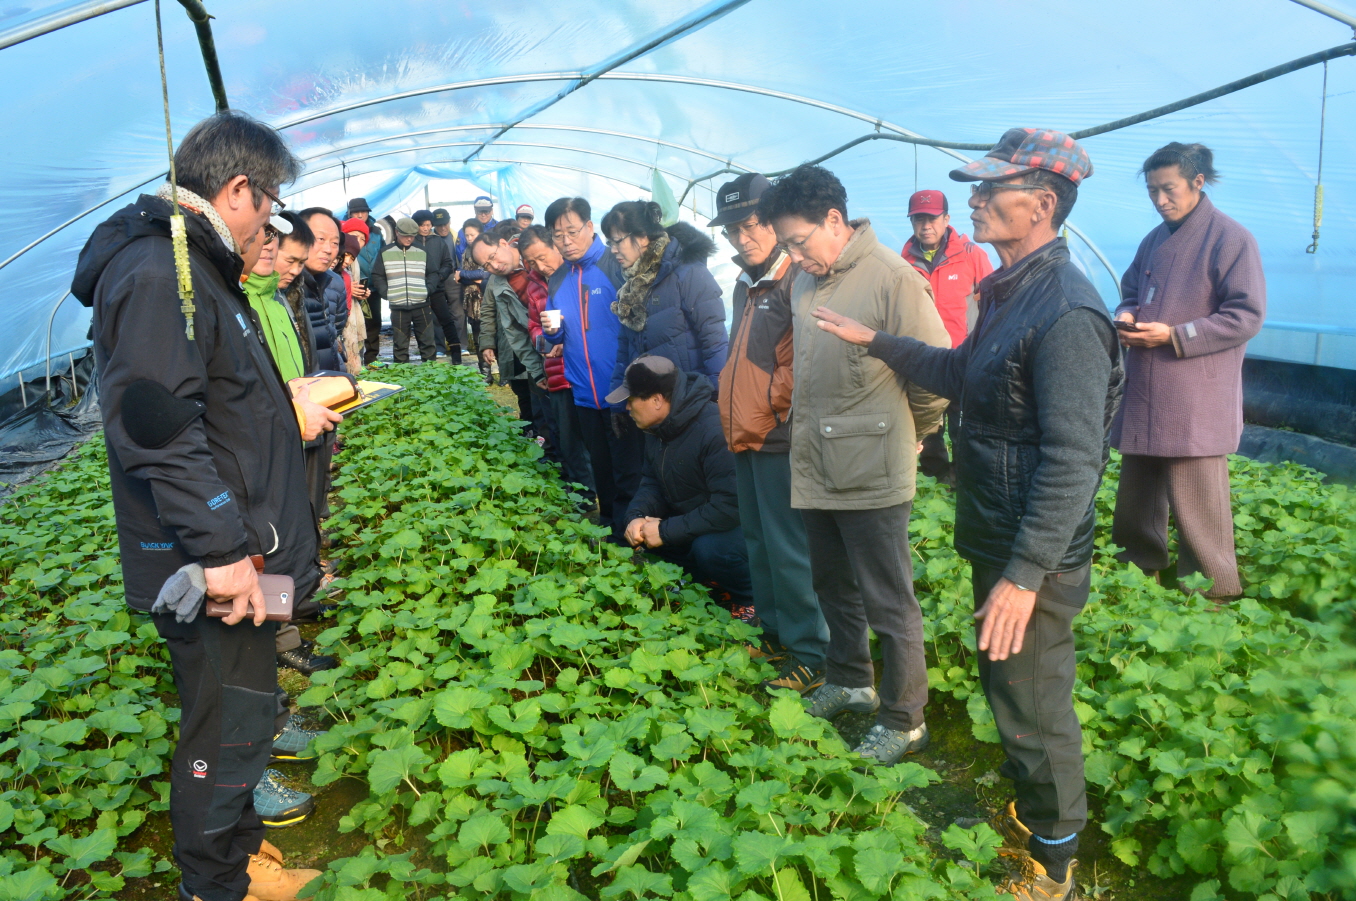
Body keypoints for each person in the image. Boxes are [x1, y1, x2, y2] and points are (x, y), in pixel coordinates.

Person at [813, 128, 1123, 901]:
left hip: (1033, 552)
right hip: (1002, 534)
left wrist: (1025, 574)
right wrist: (878, 339)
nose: (974, 201)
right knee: (1010, 688)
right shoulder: (1012, 290)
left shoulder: (1068, 311)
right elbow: (961, 370)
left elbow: (1075, 458)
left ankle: (1054, 863)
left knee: (1033, 700)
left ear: (1042, 203)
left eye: (990, 189)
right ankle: (1036, 813)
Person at [71, 110, 325, 901]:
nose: (269, 225)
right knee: (226, 728)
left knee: (242, 713)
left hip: (242, 550)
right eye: (270, 203)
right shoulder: (160, 270)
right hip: (215, 564)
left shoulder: (198, 267)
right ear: (238, 188)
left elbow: (217, 405)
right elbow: (160, 429)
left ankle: (242, 859)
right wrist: (220, 552)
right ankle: (214, 885)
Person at [757, 164, 950, 767]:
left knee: (889, 598)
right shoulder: (805, 281)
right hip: (817, 460)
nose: (793, 256)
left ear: (835, 220)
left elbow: (935, 371)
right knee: (832, 583)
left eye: (798, 241)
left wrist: (915, 433)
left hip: (873, 465)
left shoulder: (893, 279)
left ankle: (905, 717)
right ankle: (850, 678)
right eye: (786, 245)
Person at [1111, 143, 1264, 601]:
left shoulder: (1230, 239)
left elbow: (1246, 316)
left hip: (1194, 391)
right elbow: (1130, 289)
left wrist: (1176, 335)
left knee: (1198, 498)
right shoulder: (1153, 240)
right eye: (1152, 191)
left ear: (1198, 182)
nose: (1160, 200)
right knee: (1137, 492)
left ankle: (1214, 592)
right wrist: (1126, 315)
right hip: (1146, 384)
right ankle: (1138, 576)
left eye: (1169, 189)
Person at [710, 172, 829, 693]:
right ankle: (776, 634)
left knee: (789, 548)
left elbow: (801, 361)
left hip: (780, 436)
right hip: (748, 432)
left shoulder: (795, 278)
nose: (742, 238)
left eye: (751, 225)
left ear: (774, 223)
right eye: (732, 230)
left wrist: (773, 409)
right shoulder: (746, 283)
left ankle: (812, 653)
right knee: (759, 541)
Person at [615, 356, 754, 618]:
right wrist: (636, 517)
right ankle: (712, 583)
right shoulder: (658, 428)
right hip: (698, 521)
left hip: (739, 527)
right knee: (647, 537)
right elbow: (651, 482)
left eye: (631, 400)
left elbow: (731, 506)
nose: (627, 407)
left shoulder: (714, 429)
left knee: (710, 550)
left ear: (657, 400)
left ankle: (751, 598)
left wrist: (666, 531)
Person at [539, 196, 643, 544]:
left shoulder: (615, 265)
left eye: (572, 232)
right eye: (558, 235)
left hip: (623, 390)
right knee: (600, 466)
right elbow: (558, 336)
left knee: (629, 467)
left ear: (589, 226)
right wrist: (551, 332)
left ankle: (633, 533)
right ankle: (611, 526)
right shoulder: (558, 279)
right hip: (583, 392)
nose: (566, 241)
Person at [901, 189, 994, 486]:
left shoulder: (971, 254)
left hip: (963, 355)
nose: (925, 225)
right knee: (928, 421)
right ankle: (936, 475)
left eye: (932, 218)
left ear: (946, 219)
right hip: (923, 356)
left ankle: (965, 476)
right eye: (919, 219)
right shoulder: (903, 260)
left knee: (963, 421)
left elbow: (993, 301)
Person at [601, 200, 729, 395]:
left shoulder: (688, 274)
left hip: (689, 399)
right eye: (610, 242)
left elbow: (715, 342)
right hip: (651, 402)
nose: (613, 249)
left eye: (618, 241)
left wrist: (715, 397)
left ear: (642, 236)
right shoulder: (631, 287)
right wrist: (619, 400)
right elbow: (625, 351)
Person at [520, 225, 594, 494]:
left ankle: (601, 492)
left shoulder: (580, 274)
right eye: (532, 262)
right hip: (557, 371)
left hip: (587, 370)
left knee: (594, 435)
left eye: (542, 257)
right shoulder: (534, 285)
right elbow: (533, 325)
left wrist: (568, 338)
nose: (540, 266)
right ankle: (584, 494)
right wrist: (546, 342)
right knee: (568, 437)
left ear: (556, 245)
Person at [469, 222, 549, 438]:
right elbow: (489, 312)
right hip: (522, 346)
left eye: (493, 257)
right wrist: (487, 342)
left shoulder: (539, 261)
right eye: (487, 265)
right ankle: (537, 435)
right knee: (529, 392)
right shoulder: (497, 282)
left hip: (558, 343)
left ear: (504, 244)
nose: (494, 266)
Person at [370, 217, 437, 363]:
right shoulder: (385, 252)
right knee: (400, 346)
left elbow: (433, 273)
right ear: (396, 232)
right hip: (398, 306)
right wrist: (386, 293)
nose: (409, 239)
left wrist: (428, 290)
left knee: (428, 344)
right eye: (405, 235)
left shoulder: (422, 251)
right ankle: (402, 374)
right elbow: (377, 275)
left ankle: (431, 373)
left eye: (412, 235)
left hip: (422, 304)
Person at [298, 208, 348, 372]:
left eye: (335, 243)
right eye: (320, 239)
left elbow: (336, 329)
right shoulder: (282, 281)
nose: (328, 249)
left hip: (331, 375)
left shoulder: (335, 282)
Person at [412, 209, 459, 361]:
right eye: (422, 225)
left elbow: (448, 263)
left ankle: (456, 353)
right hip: (417, 288)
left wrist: (439, 276)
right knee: (421, 323)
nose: (426, 228)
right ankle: (427, 355)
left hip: (437, 287)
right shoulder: (411, 242)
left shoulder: (438, 241)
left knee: (446, 319)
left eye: (428, 225)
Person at [432, 208, 469, 362]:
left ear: (450, 221)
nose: (443, 228)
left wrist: (460, 273)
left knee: (458, 312)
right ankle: (439, 347)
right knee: (436, 314)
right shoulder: (430, 238)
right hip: (436, 278)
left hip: (453, 277)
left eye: (445, 224)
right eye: (439, 225)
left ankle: (462, 345)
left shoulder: (456, 236)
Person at [458, 217, 489, 373]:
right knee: (477, 337)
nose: (469, 238)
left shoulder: (486, 249)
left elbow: (485, 273)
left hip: (486, 298)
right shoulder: (465, 252)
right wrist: (469, 276)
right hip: (471, 300)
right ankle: (485, 371)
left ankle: (503, 373)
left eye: (473, 235)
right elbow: (460, 277)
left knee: (491, 335)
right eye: (467, 235)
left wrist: (464, 274)